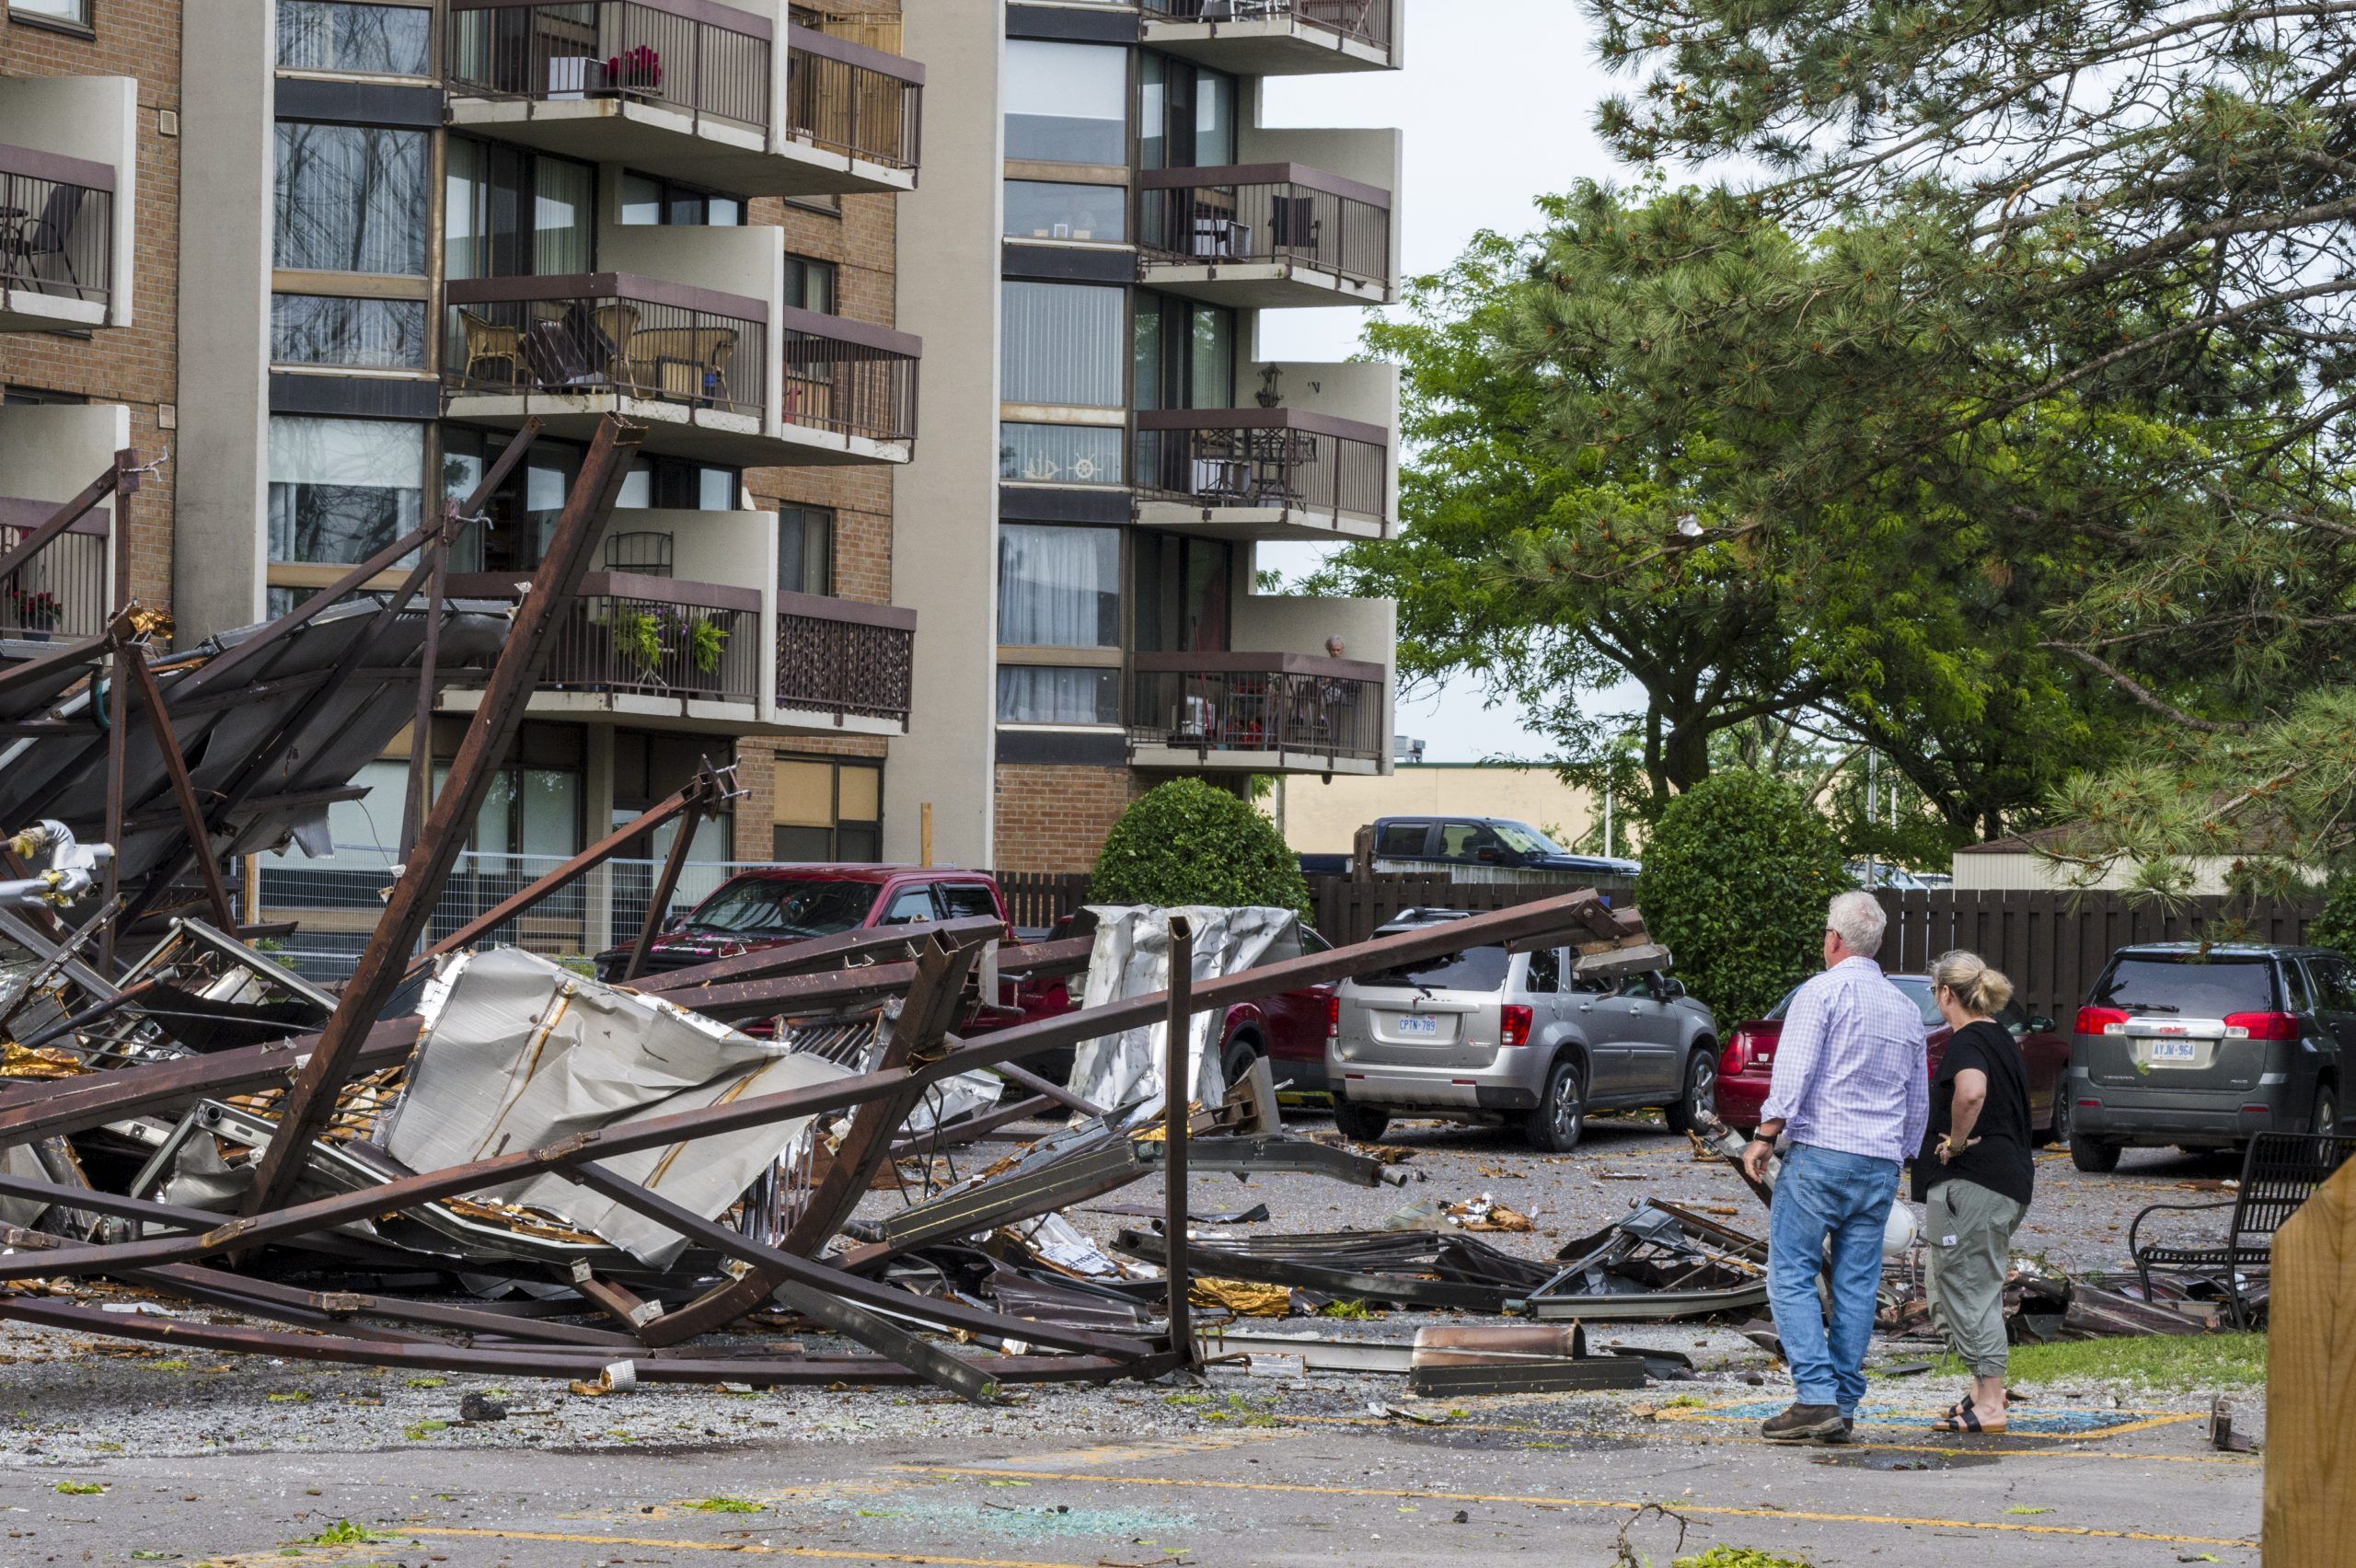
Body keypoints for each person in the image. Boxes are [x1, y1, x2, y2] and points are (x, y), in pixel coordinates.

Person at [1741, 891, 1928, 1443]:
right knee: (1856, 1283)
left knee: (1791, 1274)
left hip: (1822, 1154)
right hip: (1879, 1164)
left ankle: (1816, 1396)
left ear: (1834, 940)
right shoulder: (1903, 1007)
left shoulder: (1821, 992)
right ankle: (1843, 1402)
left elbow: (1794, 1072)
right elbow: (1916, 1097)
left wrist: (1765, 1134)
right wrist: (1904, 1152)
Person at [1918, 950, 2033, 1435]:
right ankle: (1979, 1391)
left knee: (1965, 1286)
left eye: (1935, 993)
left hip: (1973, 1183)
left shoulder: (1966, 1043)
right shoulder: (2001, 1037)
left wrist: (1956, 1142)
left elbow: (1970, 1092)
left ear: (1947, 994)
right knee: (1961, 1283)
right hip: (2002, 1182)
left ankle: (1990, 1401)